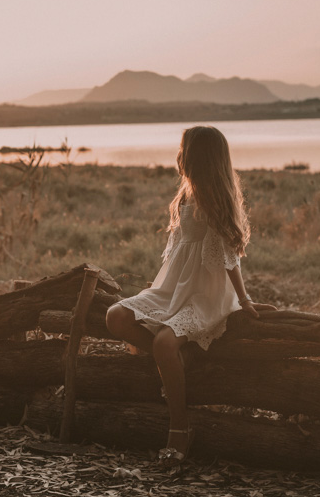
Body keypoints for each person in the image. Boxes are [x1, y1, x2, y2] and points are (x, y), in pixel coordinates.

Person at [105, 126, 274, 467]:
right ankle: (178, 363)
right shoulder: (185, 196)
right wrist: (162, 295)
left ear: (199, 158)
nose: (177, 156)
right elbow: (178, 253)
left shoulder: (215, 201)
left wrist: (244, 300)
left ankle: (180, 427)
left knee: (164, 344)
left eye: (183, 150)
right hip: (173, 288)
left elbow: (229, 258)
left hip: (206, 294)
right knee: (115, 315)